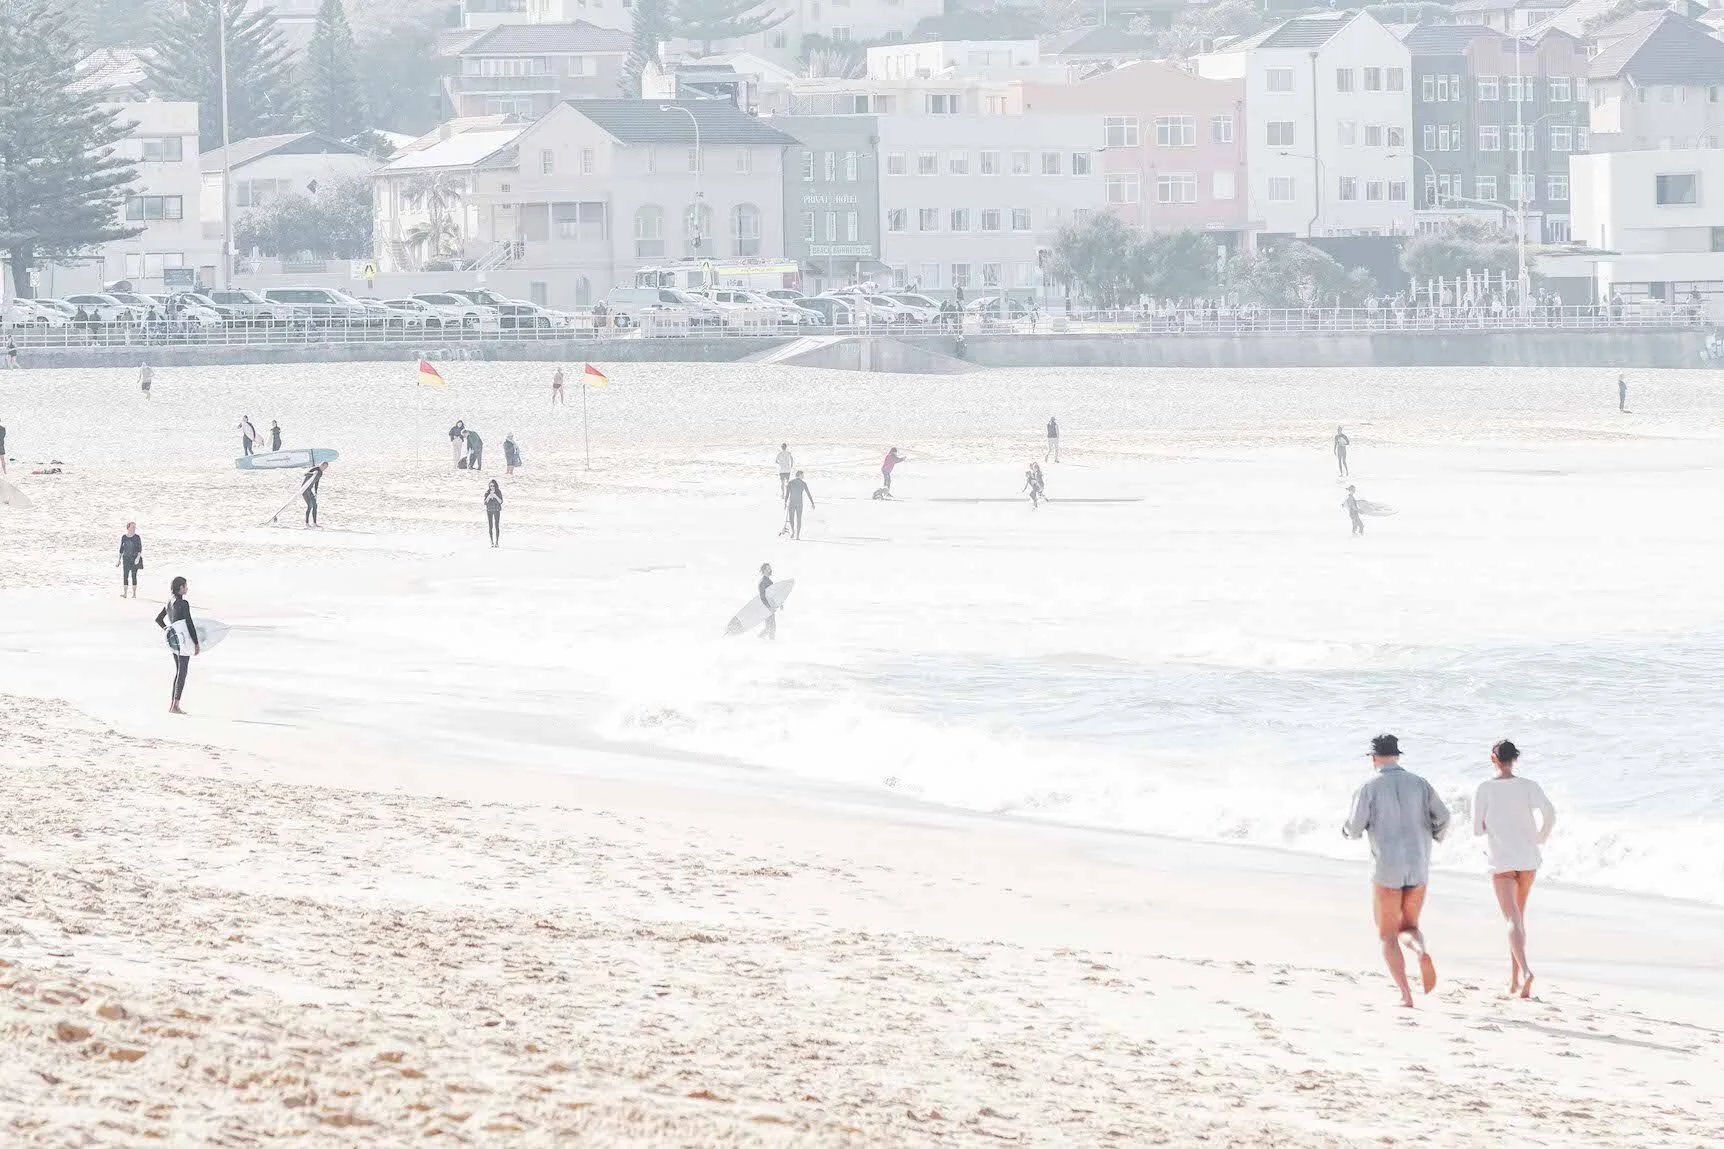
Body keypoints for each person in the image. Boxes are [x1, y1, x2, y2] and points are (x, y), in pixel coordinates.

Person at [1343, 734, 1452, 1008]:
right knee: (1410, 927)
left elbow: (1354, 828)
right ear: (1397, 755)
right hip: (1418, 866)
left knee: (1387, 934)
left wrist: (1346, 831)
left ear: (1374, 758)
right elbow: (1444, 816)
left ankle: (1406, 994)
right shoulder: (1420, 783)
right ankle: (1421, 951)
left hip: (1387, 869)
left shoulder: (1368, 787)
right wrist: (1434, 836)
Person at [1473, 739, 1557, 1000]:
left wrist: (1494, 827)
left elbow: (1477, 829)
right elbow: (1550, 812)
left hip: (1502, 861)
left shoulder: (1485, 788)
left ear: (1493, 759)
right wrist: (1540, 837)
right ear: (1515, 759)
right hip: (1528, 860)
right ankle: (1514, 981)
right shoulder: (1529, 786)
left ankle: (1525, 972)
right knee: (1519, 920)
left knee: (1512, 920)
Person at [154, 575, 199, 715]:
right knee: (182, 672)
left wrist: (168, 630)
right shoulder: (183, 603)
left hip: (174, 642)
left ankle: (173, 705)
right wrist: (196, 643)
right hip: (184, 642)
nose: (187, 588)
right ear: (181, 587)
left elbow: (158, 619)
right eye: (186, 586)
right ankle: (175, 706)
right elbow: (189, 623)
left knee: (179, 671)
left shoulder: (169, 602)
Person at [784, 470, 814, 540]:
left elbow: (787, 494)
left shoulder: (790, 482)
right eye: (802, 475)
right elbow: (808, 493)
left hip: (792, 502)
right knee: (799, 519)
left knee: (791, 518)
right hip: (799, 503)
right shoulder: (803, 483)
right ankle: (797, 535)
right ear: (799, 475)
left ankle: (793, 531)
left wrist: (785, 502)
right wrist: (812, 503)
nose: (803, 476)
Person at [117, 522, 144, 598]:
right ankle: (125, 593)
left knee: (134, 575)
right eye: (132, 527)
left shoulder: (137, 537)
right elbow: (121, 549)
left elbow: (140, 548)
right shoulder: (124, 537)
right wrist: (119, 560)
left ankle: (134, 594)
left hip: (134, 558)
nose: (134, 528)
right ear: (128, 528)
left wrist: (138, 558)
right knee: (125, 575)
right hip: (126, 558)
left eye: (135, 527)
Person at [758, 562, 778, 640]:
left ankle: (769, 642)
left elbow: (773, 595)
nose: (770, 570)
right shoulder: (763, 582)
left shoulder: (769, 581)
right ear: (764, 570)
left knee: (771, 627)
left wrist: (779, 603)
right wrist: (768, 607)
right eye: (768, 569)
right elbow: (762, 597)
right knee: (770, 627)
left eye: (770, 568)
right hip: (766, 608)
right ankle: (759, 639)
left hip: (771, 607)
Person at [301, 462, 323, 527]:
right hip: (304, 489)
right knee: (310, 505)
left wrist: (316, 491)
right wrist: (312, 473)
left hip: (309, 490)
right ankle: (307, 523)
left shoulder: (320, 473)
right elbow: (305, 474)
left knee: (315, 505)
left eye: (326, 467)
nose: (324, 468)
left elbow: (317, 482)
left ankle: (314, 523)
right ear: (321, 465)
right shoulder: (315, 469)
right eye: (324, 466)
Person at [484, 479, 503, 546]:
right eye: (491, 486)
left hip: (496, 510)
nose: (492, 487)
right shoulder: (487, 492)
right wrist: (488, 497)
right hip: (489, 510)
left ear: (495, 486)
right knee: (490, 526)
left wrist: (495, 496)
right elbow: (485, 502)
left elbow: (501, 501)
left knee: (496, 526)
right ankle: (492, 542)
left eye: (493, 486)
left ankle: (497, 542)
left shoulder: (498, 492)